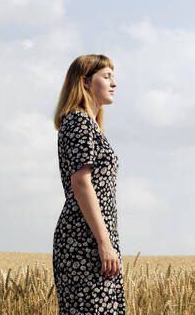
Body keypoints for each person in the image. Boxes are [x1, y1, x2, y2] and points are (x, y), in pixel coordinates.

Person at [52, 54, 126, 314]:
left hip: (94, 237)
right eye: (106, 77)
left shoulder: (90, 126)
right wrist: (103, 242)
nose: (113, 83)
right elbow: (81, 182)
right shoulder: (78, 121)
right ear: (85, 82)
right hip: (84, 242)